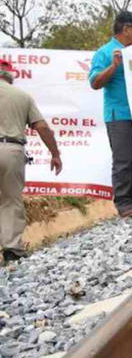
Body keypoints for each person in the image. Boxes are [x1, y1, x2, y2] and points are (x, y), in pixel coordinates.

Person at [0, 61, 62, 264]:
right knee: (11, 200)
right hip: (11, 150)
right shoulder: (22, 96)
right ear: (9, 77)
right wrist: (55, 154)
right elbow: (42, 127)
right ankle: (12, 249)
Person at [89, 11, 132, 217]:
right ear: (127, 29)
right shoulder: (105, 53)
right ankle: (122, 202)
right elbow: (94, 82)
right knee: (122, 159)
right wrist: (114, 66)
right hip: (118, 114)